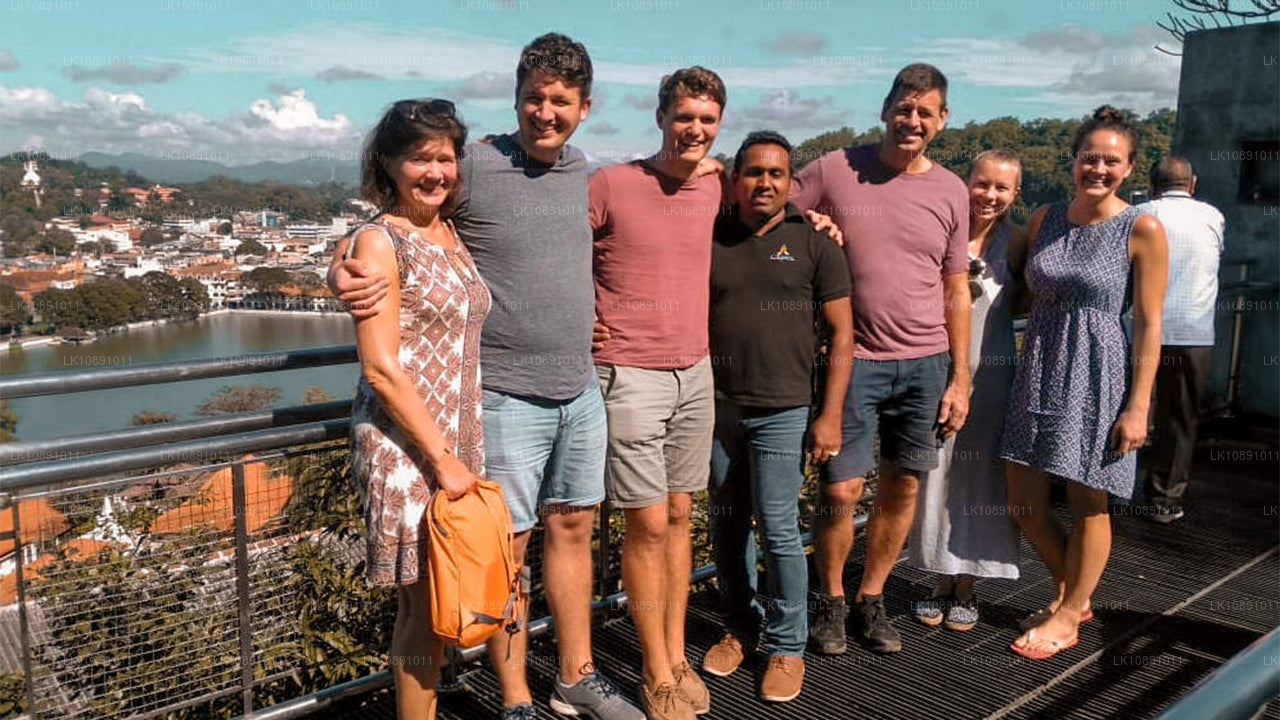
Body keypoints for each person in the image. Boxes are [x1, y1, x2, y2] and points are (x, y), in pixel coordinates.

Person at [331, 34, 642, 720]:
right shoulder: (473, 163)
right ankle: (517, 697)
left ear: (585, 108)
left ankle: (576, 677)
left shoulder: (584, 171)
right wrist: (338, 267)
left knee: (574, 531)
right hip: (495, 402)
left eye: (560, 101)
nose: (545, 112)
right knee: (500, 555)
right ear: (516, 98)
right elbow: (384, 226)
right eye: (534, 98)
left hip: (574, 392)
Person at [790, 62, 972, 656]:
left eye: (925, 112)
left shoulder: (951, 190)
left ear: (942, 120)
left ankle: (871, 597)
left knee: (904, 487)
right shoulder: (834, 168)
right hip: (853, 360)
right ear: (885, 110)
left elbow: (955, 286)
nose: (912, 120)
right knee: (841, 491)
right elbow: (767, 208)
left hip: (927, 362)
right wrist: (808, 220)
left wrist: (961, 377)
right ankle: (829, 598)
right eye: (904, 108)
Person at [1001, 105, 1168, 660]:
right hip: (1038, 363)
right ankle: (1072, 589)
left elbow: (1149, 323)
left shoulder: (1142, 228)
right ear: (1073, 160)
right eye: (1089, 158)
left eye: (1111, 161)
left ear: (1130, 168)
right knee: (1023, 500)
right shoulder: (1043, 218)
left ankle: (1070, 612)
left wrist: (1138, 406)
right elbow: (1016, 288)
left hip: (1098, 372)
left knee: (1088, 499)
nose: (1098, 169)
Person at [588, 67, 725, 720]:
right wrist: (578, 314)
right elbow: (554, 251)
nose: (694, 129)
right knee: (644, 524)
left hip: (695, 371)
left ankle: (674, 656)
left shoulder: (715, 184)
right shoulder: (611, 183)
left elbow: (780, 199)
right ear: (661, 117)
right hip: (629, 372)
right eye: (684, 116)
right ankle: (653, 671)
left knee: (677, 516)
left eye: (707, 119)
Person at [345, 98, 488, 720]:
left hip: (457, 437)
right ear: (388, 163)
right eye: (418, 159)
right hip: (406, 446)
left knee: (439, 596)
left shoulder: (450, 232)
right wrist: (442, 459)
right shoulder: (379, 241)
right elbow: (380, 368)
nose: (435, 172)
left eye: (445, 158)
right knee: (422, 607)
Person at [700, 131, 854, 703]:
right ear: (735, 179)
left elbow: (843, 334)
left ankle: (787, 645)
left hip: (784, 410)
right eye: (753, 172)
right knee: (726, 524)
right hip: (717, 406)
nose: (764, 182)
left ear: (791, 182)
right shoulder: (709, 233)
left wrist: (829, 415)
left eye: (776, 173)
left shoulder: (815, 241)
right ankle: (740, 626)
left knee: (779, 528)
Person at [909, 149, 1024, 631]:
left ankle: (968, 584)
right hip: (938, 369)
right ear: (965, 182)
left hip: (993, 376)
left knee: (981, 479)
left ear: (1015, 193)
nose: (990, 195)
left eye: (1002, 187)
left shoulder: (1017, 242)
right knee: (936, 474)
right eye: (982, 183)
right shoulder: (942, 231)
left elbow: (1028, 300)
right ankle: (939, 576)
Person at [1137, 156, 1224, 524]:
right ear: (1192, 183)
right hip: (1193, 331)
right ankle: (1164, 499)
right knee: (1179, 418)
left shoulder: (1139, 214)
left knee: (1126, 408)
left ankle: (1109, 489)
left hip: (1140, 330)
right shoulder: (1213, 216)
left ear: (1152, 184)